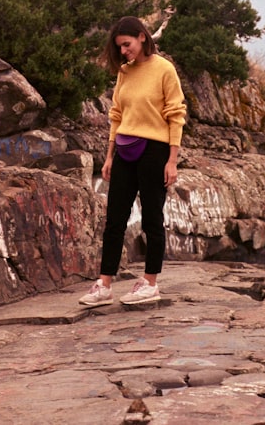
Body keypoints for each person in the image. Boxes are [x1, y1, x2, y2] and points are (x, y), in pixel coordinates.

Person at [79, 16, 186, 306]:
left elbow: (176, 115)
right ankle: (104, 284)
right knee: (114, 219)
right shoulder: (125, 72)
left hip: (155, 150)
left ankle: (150, 282)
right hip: (124, 149)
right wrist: (110, 155)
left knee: (152, 218)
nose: (124, 51)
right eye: (120, 47)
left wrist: (172, 160)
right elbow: (116, 114)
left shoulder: (164, 69)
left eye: (127, 45)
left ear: (142, 36)